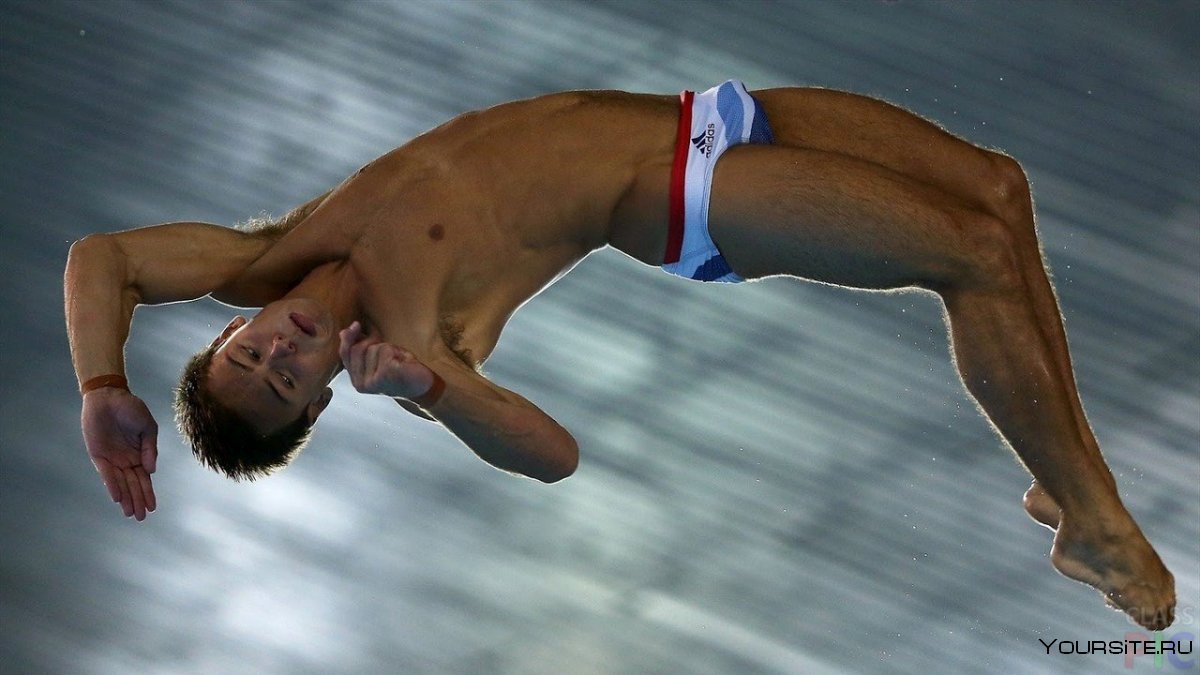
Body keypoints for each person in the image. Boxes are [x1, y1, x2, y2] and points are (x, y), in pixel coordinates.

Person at [64, 81, 1175, 629]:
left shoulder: (258, 257)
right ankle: (1099, 531)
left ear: (228, 326)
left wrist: (103, 384)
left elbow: (102, 257)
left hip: (702, 115)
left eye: (251, 355)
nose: (282, 353)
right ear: (318, 397)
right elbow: (552, 457)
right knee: (971, 252)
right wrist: (436, 390)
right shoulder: (408, 349)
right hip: (680, 196)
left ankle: (1066, 488)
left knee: (997, 190)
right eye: (287, 382)